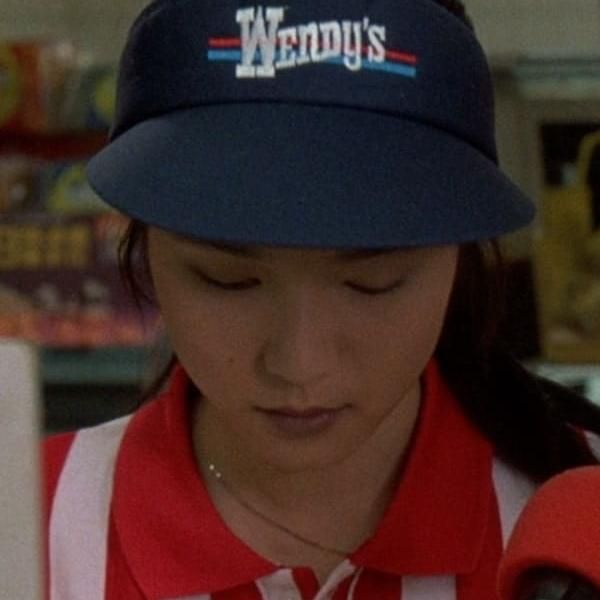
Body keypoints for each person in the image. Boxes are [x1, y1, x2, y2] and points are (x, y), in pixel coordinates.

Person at [43, 0, 600, 599]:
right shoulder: (29, 523)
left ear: (462, 258)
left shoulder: (581, 530)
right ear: (142, 248)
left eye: (375, 282)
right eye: (226, 280)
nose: (299, 365)